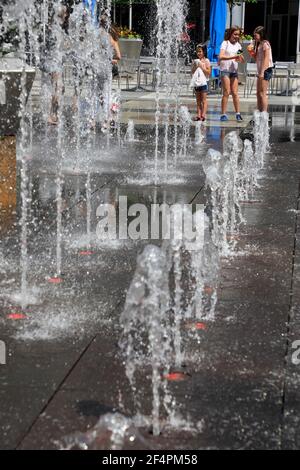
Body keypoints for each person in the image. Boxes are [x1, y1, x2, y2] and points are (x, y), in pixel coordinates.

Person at [218, 26, 244, 122]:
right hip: (225, 70)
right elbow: (221, 56)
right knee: (226, 92)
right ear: (230, 34)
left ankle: (238, 113)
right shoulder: (225, 43)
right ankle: (223, 114)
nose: (237, 36)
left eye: (238, 34)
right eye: (235, 34)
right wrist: (233, 57)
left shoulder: (239, 46)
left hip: (234, 71)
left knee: (235, 93)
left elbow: (241, 58)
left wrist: (240, 58)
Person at [247, 26, 273, 112]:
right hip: (261, 70)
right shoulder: (259, 44)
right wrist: (251, 51)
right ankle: (259, 111)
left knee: (262, 93)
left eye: (256, 35)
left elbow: (266, 58)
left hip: (265, 70)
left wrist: (262, 72)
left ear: (261, 34)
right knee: (258, 93)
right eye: (254, 35)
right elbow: (256, 57)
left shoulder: (265, 44)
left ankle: (264, 113)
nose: (254, 37)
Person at [191, 44, 211, 121]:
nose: (198, 53)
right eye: (197, 52)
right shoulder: (196, 61)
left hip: (203, 83)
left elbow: (209, 72)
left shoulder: (206, 61)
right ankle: (198, 115)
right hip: (197, 82)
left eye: (200, 51)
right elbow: (192, 72)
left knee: (204, 100)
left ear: (204, 52)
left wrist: (202, 68)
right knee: (198, 100)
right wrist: (195, 66)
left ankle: (203, 115)